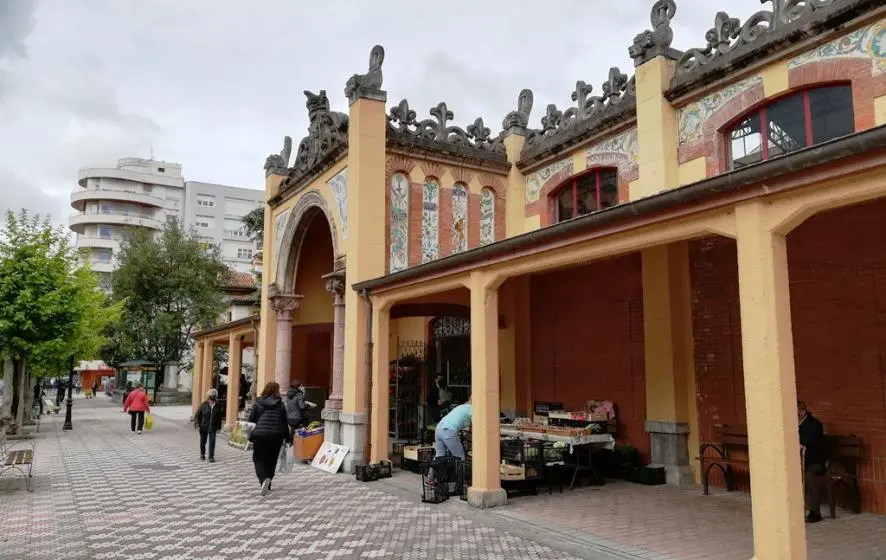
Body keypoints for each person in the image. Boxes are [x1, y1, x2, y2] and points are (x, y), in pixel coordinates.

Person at [248, 381, 290, 496]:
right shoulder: (280, 404)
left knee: (258, 459)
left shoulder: (258, 402)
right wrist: (288, 438)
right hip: (276, 436)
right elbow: (284, 422)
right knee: (272, 460)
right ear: (276, 390)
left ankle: (263, 479)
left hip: (260, 435)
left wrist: (249, 435)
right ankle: (269, 482)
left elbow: (252, 419)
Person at [798, 401, 826, 523]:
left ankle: (814, 511)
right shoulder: (795, 424)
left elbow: (810, 443)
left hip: (814, 462)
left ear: (801, 411)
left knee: (809, 476)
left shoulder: (814, 424)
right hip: (800, 461)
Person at [195, 388, 224, 462]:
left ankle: (211, 457)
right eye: (211, 395)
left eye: (214, 395)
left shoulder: (218, 405)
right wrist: (197, 424)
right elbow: (197, 415)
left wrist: (219, 427)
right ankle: (202, 454)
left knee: (212, 442)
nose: (212, 397)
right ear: (208, 396)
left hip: (213, 426)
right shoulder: (203, 404)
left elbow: (219, 417)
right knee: (203, 441)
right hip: (204, 426)